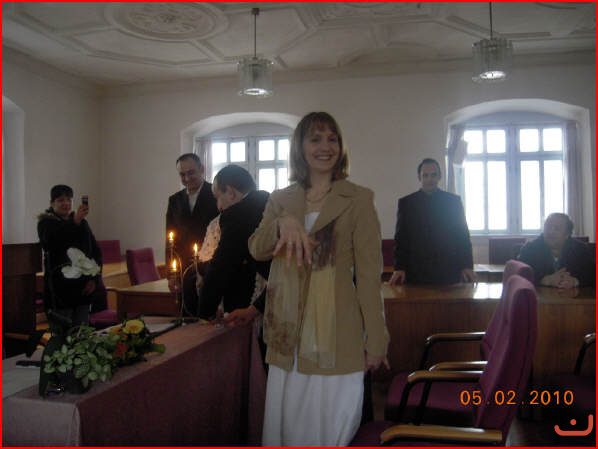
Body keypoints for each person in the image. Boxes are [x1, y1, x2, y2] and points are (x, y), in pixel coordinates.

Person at [249, 112, 389, 446]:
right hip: (288, 334)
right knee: (288, 427)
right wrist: (281, 224)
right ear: (300, 147)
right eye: (315, 139)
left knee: (332, 427)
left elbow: (369, 278)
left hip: (336, 332)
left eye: (332, 139)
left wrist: (377, 340)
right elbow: (256, 248)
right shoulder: (280, 199)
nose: (325, 147)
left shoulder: (359, 199)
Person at [197, 164, 270, 325]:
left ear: (230, 192)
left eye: (218, 197)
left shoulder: (238, 214)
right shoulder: (268, 202)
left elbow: (221, 267)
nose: (219, 207)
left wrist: (205, 314)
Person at [390, 158, 476, 285]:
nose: (429, 179)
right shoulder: (407, 203)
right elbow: (401, 238)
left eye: (433, 175)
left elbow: (462, 235)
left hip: (448, 270)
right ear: (419, 177)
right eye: (425, 175)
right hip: (416, 271)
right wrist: (399, 268)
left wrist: (467, 265)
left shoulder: (453, 202)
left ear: (439, 176)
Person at [37, 184, 103, 326]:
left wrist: (94, 279)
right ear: (52, 203)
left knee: (82, 334)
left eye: (69, 200)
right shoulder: (46, 223)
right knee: (63, 334)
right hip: (60, 292)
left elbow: (95, 251)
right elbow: (53, 242)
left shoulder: (81, 222)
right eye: (61, 200)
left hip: (83, 290)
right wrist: (75, 221)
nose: (66, 203)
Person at [166, 153, 218, 316]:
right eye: (182, 174)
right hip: (183, 268)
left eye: (191, 172)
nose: (187, 178)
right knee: (187, 317)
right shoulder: (174, 200)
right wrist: (171, 274)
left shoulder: (216, 194)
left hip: (210, 268)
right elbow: (169, 240)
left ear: (202, 169)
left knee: (208, 317)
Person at [518, 213, 595, 288]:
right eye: (548, 227)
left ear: (567, 234)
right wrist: (544, 280)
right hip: (540, 296)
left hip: (575, 295)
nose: (551, 232)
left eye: (557, 228)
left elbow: (593, 274)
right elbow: (519, 275)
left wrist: (575, 281)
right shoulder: (530, 249)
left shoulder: (580, 249)